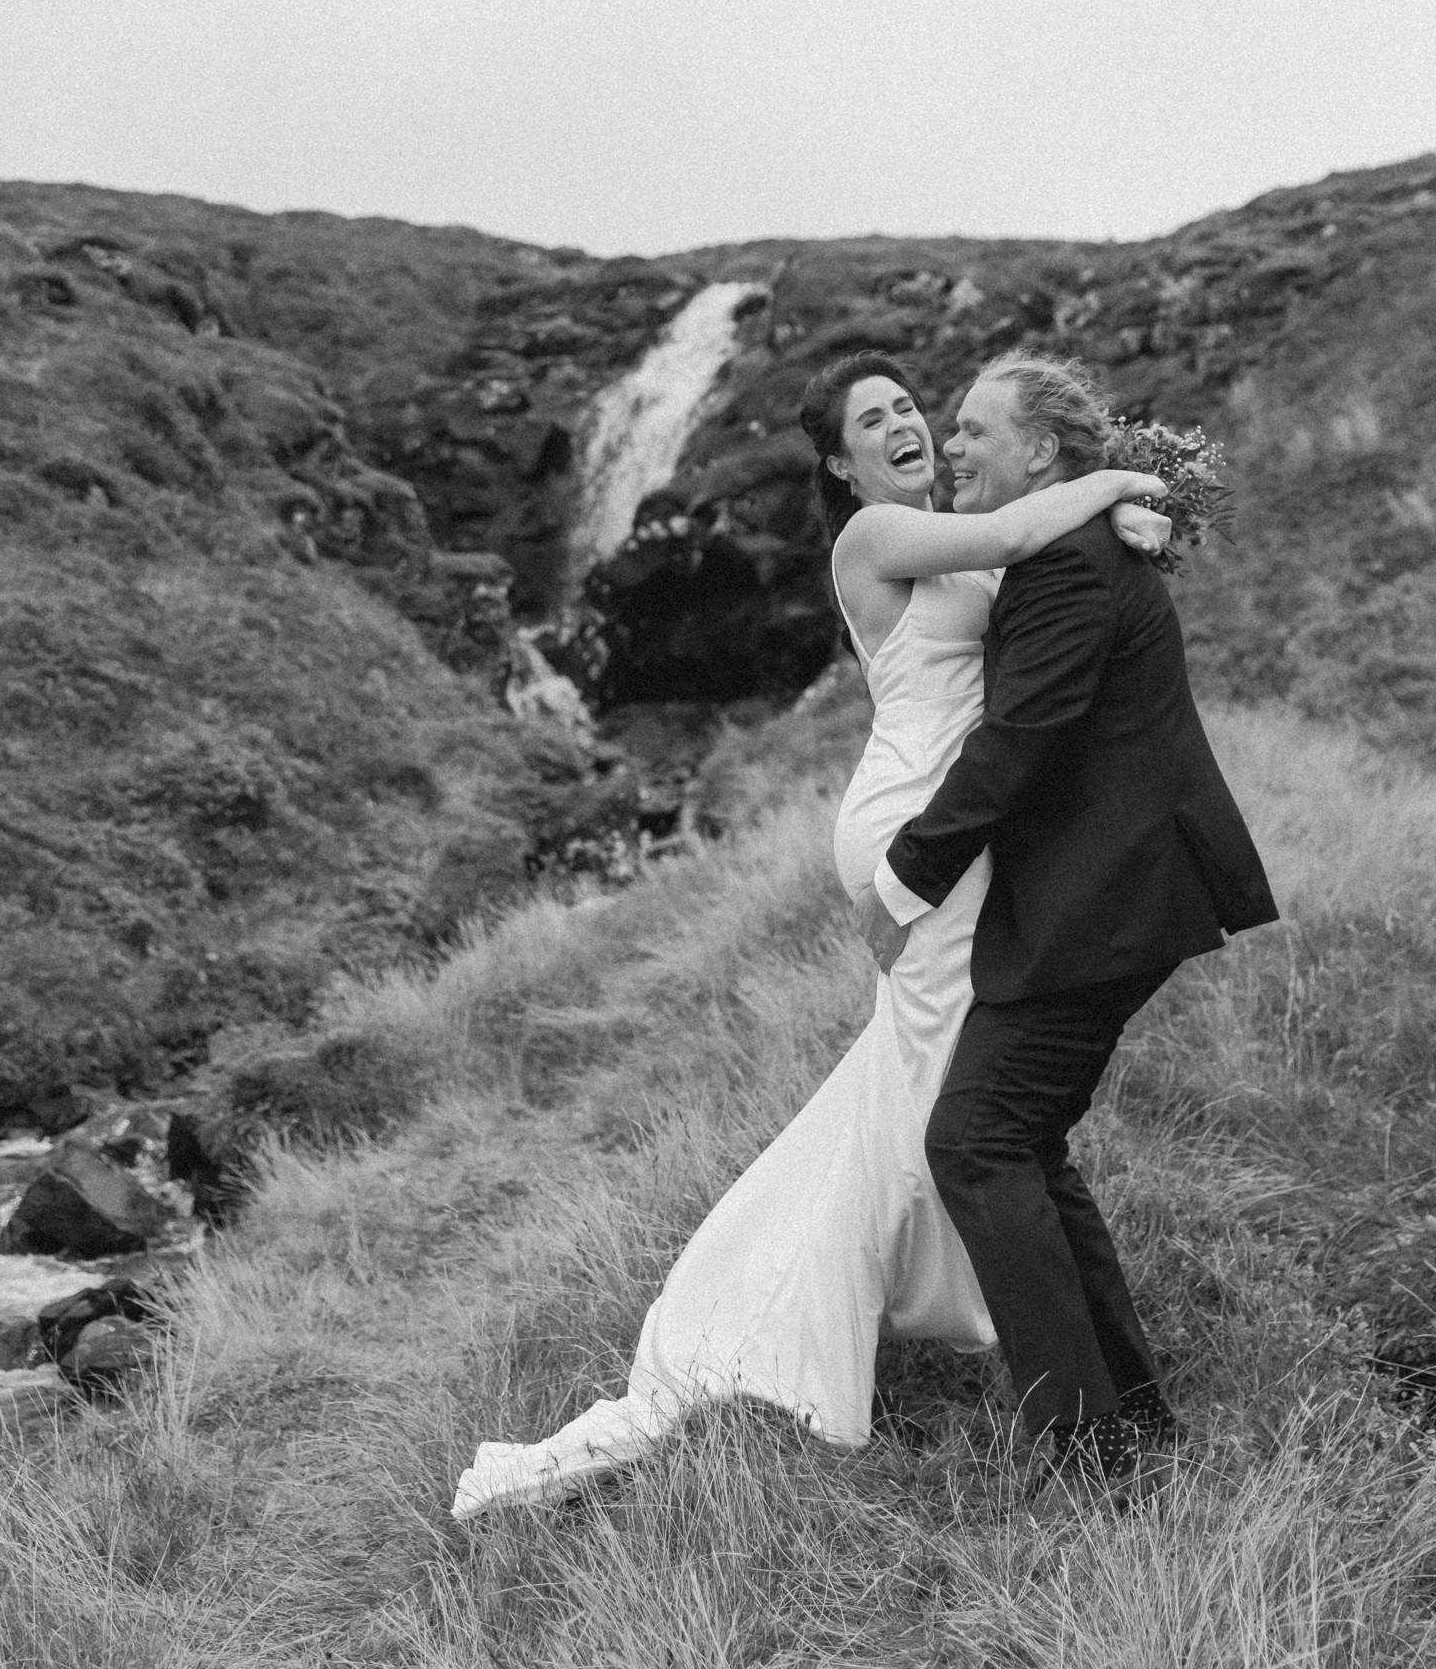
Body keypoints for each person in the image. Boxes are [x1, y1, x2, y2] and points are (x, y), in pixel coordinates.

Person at [451, 350, 1171, 1519]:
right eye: (869, 421)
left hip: (957, 826)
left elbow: (1034, 554)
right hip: (917, 831)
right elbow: (1028, 532)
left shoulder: (949, 522)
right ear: (838, 463)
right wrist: (1125, 483)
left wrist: (1124, 511)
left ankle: (968, 1311)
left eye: (908, 409)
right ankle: (948, 1329)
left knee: (936, 1086)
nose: (902, 427)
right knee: (967, 1100)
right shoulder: (873, 540)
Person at [854, 349, 1278, 1494]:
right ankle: (1128, 1418)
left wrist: (906, 880)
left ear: (1041, 453)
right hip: (1101, 889)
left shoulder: (1072, 567)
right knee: (1020, 1141)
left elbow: (1020, 740)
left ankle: (1089, 1454)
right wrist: (1129, 495)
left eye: (973, 430)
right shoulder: (1071, 545)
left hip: (1111, 894)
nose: (951, 447)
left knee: (975, 1141)